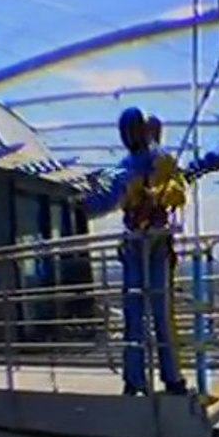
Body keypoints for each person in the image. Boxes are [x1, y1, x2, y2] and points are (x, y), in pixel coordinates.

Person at [87, 107, 188, 395]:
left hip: (156, 244)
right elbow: (109, 198)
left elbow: (179, 192)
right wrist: (84, 204)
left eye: (133, 130)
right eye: (125, 132)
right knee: (133, 315)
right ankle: (134, 379)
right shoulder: (124, 166)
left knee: (161, 313)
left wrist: (159, 192)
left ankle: (172, 378)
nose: (129, 136)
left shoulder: (163, 160)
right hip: (133, 243)